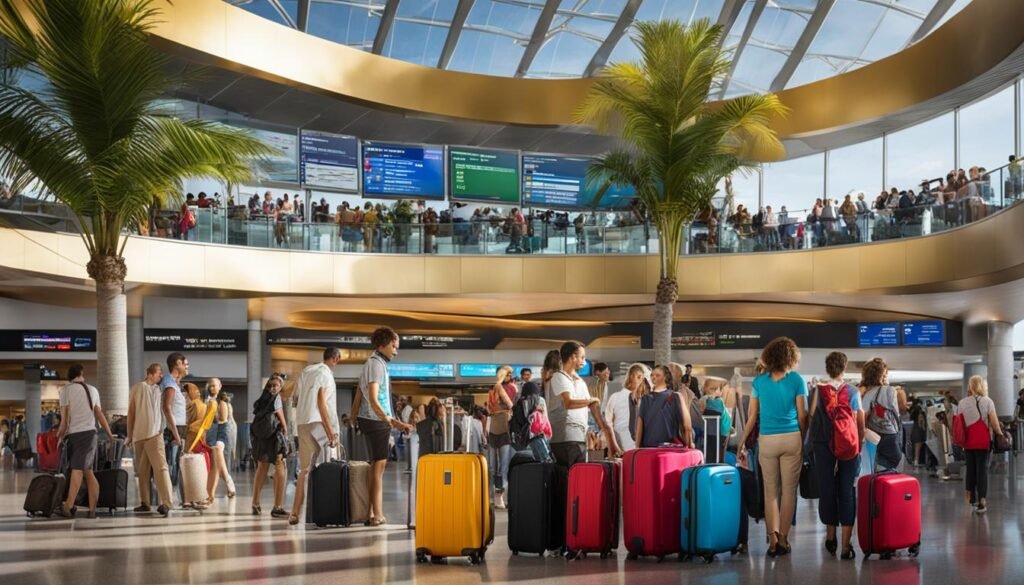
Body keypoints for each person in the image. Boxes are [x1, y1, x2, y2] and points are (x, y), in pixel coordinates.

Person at [736, 337, 808, 557]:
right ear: (791, 358)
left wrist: (741, 441)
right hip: (791, 438)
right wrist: (804, 440)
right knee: (788, 492)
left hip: (767, 440)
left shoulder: (759, 382)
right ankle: (785, 539)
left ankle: (773, 540)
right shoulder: (797, 380)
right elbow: (802, 414)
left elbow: (751, 417)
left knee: (770, 492)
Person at [352, 328, 413, 526]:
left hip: (370, 419)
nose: (396, 351)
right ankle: (377, 514)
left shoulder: (371, 363)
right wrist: (391, 421)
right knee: (378, 469)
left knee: (374, 468)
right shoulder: (377, 364)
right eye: (393, 346)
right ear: (381, 345)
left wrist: (354, 417)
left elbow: (359, 396)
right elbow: (373, 396)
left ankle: (371, 512)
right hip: (377, 420)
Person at [809, 352, 863, 560]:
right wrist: (859, 444)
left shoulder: (817, 390)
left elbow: (812, 416)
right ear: (844, 368)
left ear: (827, 368)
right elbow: (859, 420)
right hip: (848, 444)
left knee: (827, 488)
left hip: (822, 444)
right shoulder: (852, 391)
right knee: (847, 490)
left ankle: (830, 537)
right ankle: (846, 546)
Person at [547, 341, 622, 469]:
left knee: (576, 476)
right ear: (572, 357)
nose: (584, 361)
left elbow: (594, 408)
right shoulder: (558, 377)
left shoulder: (580, 381)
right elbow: (569, 402)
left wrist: (608, 436)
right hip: (566, 437)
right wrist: (591, 400)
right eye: (582, 357)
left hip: (578, 437)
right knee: (571, 477)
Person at [289, 347, 342, 525]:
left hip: (303, 422)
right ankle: (325, 510)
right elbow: (321, 402)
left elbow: (295, 397)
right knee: (326, 468)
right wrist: (330, 432)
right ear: (335, 359)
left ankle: (295, 512)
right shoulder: (326, 374)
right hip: (319, 424)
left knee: (305, 470)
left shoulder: (307, 370)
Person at [56, 364, 114, 518]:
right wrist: (109, 433)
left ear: (69, 376)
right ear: (81, 374)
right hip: (90, 435)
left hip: (76, 435)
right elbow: (99, 414)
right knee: (87, 472)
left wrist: (60, 436)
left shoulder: (65, 391)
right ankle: (92, 511)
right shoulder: (92, 390)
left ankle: (68, 506)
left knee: (76, 470)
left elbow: (64, 420)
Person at [127, 363, 173, 517]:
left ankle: (166, 502)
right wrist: (129, 434)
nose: (161, 376)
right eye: (159, 373)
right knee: (144, 472)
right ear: (151, 373)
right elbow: (131, 413)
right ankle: (145, 503)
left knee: (160, 468)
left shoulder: (159, 390)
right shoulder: (139, 387)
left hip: (154, 434)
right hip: (141, 435)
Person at [961, 376, 1001, 514]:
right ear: (982, 386)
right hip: (983, 441)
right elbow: (994, 423)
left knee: (971, 469)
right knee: (982, 470)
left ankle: (970, 498)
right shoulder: (988, 401)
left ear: (970, 386)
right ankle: (982, 501)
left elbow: (959, 424)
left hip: (967, 441)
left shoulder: (962, 403)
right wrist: (1000, 434)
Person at [251, 375, 289, 518]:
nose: (273, 388)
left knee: (262, 468)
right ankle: (277, 507)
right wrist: (286, 432)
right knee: (281, 468)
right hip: (274, 438)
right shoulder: (276, 398)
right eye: (271, 385)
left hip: (261, 439)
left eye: (275, 385)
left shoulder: (262, 399)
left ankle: (255, 503)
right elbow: (281, 418)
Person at [860, 358, 908, 471]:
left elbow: (863, 414)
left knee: (875, 462)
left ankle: (879, 481)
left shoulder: (866, 393)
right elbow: (897, 412)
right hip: (890, 433)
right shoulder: (890, 390)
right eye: (886, 373)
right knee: (898, 461)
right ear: (881, 375)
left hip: (872, 435)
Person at [635, 366, 693, 448]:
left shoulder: (644, 399)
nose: (653, 377)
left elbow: (639, 428)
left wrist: (637, 448)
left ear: (665, 377)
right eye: (652, 375)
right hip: (670, 447)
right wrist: (689, 445)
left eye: (657, 375)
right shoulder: (676, 396)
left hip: (649, 447)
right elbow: (686, 426)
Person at [604, 363, 651, 451]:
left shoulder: (641, 401)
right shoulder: (617, 397)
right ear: (637, 377)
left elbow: (609, 424)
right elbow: (608, 425)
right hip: (626, 448)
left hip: (629, 448)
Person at [203, 379, 236, 502]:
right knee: (215, 463)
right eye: (210, 386)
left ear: (220, 386)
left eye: (214, 386)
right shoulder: (205, 401)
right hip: (210, 433)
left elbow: (223, 420)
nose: (211, 388)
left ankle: (228, 480)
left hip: (223, 432)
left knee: (218, 452)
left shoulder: (222, 402)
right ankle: (211, 494)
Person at [161, 352, 188, 502]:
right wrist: (176, 435)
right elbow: (167, 408)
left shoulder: (174, 382)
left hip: (178, 428)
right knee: (172, 465)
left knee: (177, 464)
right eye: (185, 363)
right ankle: (168, 500)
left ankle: (173, 499)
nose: (186, 366)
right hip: (173, 430)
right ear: (177, 363)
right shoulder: (169, 383)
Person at [487, 365, 515, 510]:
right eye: (508, 374)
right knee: (499, 465)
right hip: (500, 427)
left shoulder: (497, 389)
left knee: (498, 465)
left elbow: (490, 409)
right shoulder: (497, 388)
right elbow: (510, 405)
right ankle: (497, 496)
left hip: (499, 427)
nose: (510, 376)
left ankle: (497, 496)